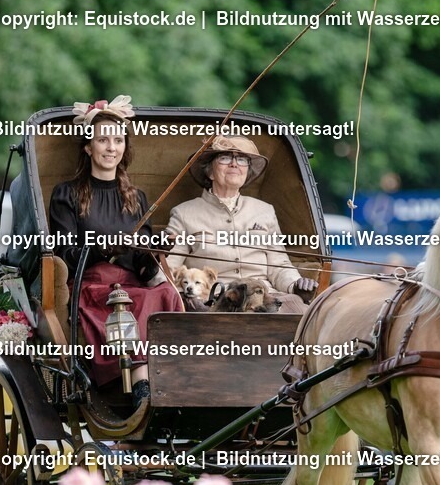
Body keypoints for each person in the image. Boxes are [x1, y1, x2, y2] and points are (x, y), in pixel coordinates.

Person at [48, 95, 182, 407]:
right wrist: (102, 249)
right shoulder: (66, 194)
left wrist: (156, 250)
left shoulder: (137, 198)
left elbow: (144, 268)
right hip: (91, 288)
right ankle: (142, 391)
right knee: (134, 303)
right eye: (103, 140)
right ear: (88, 147)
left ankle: (174, 380)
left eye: (118, 140)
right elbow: (65, 255)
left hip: (133, 285)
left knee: (165, 293)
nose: (111, 148)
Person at [165, 135, 317, 313]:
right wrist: (187, 298)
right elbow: (168, 270)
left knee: (299, 308)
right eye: (224, 158)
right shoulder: (183, 213)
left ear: (246, 172)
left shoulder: (265, 210)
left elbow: (279, 266)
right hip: (216, 301)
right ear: (210, 172)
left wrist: (295, 285)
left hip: (266, 298)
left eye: (242, 159)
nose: (234, 164)